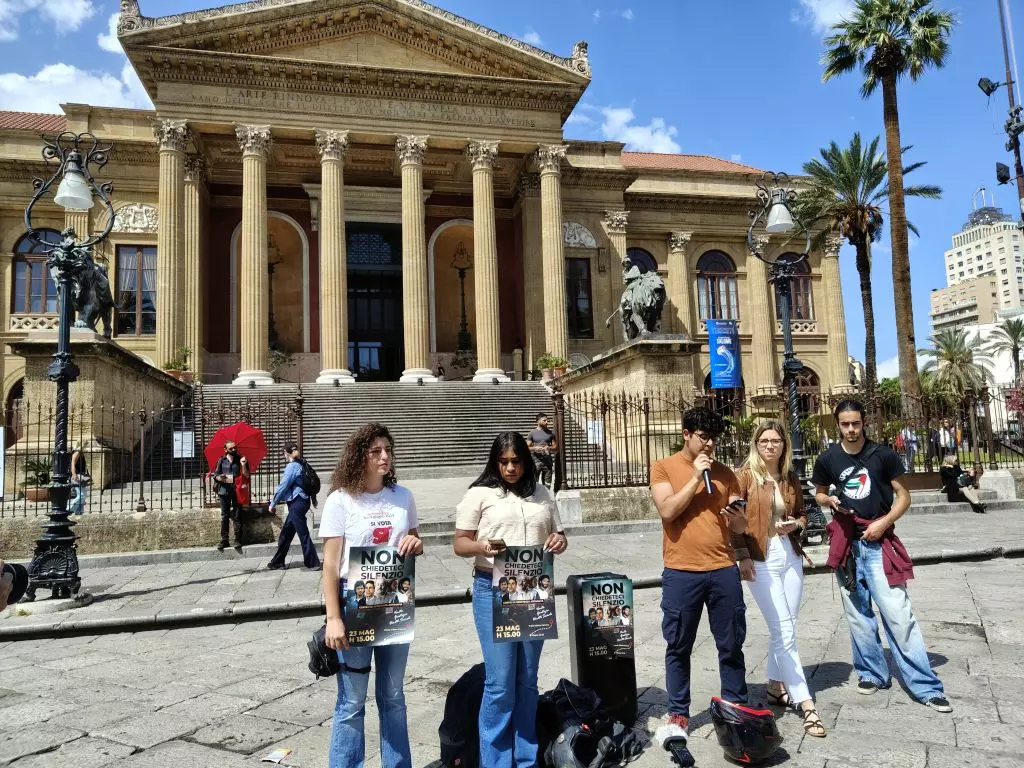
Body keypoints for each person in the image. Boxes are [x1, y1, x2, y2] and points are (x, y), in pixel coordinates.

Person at [812, 399, 951, 713]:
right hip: (846, 544)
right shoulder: (828, 458)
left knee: (899, 616)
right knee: (858, 616)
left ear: (864, 423)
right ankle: (872, 673)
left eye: (856, 424)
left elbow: (904, 496)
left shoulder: (883, 454)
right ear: (838, 424)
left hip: (878, 542)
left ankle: (925, 686)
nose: (851, 429)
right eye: (845, 424)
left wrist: (884, 522)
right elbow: (819, 492)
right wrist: (829, 500)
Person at [454, 431, 568, 768]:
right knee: (500, 682)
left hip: (533, 590)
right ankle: (496, 761)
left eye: (516, 461)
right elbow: (460, 543)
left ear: (525, 460)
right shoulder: (479, 494)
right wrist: (482, 546)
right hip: (492, 589)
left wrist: (559, 542)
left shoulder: (543, 494)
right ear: (495, 462)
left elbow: (557, 535)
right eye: (503, 462)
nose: (510, 468)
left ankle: (526, 758)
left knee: (528, 680)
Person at [320, 422, 424, 768]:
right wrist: (333, 618)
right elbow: (331, 566)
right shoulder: (340, 501)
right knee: (351, 703)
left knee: (394, 697)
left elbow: (411, 542)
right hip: (355, 609)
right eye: (376, 451)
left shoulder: (402, 497)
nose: (384, 457)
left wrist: (415, 544)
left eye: (388, 451)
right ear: (359, 456)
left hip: (395, 607)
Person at [650, 406, 748, 740]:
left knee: (732, 642)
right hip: (681, 571)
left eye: (714, 439)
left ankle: (735, 704)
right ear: (686, 435)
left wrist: (738, 519)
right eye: (703, 437)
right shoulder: (663, 468)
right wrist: (694, 477)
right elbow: (667, 510)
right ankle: (678, 712)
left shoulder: (726, 473)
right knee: (678, 644)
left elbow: (740, 523)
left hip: (723, 568)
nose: (709, 445)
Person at [734, 420, 825, 738]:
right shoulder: (744, 476)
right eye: (764, 440)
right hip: (762, 560)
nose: (770, 445)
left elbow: (803, 513)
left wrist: (795, 525)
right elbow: (732, 520)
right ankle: (806, 702)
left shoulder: (789, 478)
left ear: (784, 445)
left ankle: (774, 687)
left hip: (790, 557)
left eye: (776, 441)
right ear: (756, 444)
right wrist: (742, 556)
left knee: (787, 626)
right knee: (784, 630)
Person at [267, 442, 321, 571]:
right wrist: (313, 499)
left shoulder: (292, 467)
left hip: (296, 503)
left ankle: (313, 562)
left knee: (303, 533)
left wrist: (273, 504)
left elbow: (283, 486)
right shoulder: (302, 463)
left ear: (286, 453)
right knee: (286, 533)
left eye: (284, 452)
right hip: (301, 501)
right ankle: (278, 561)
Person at [213, 441, 249, 552]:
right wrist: (220, 478)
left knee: (237, 515)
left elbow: (247, 475)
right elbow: (215, 475)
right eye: (231, 448)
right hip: (224, 491)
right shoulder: (221, 460)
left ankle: (238, 539)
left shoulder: (241, 459)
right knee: (225, 516)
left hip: (237, 491)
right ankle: (224, 540)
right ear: (225, 449)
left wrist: (243, 465)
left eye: (235, 448)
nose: (234, 450)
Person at [527, 413, 557, 487]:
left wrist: (549, 448)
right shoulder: (532, 433)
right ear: (537, 422)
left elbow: (555, 447)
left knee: (547, 484)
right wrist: (535, 448)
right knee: (534, 483)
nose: (546, 422)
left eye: (547, 420)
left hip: (547, 461)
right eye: (544, 420)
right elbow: (527, 447)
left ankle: (547, 497)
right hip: (536, 460)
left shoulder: (550, 433)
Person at [69, 444, 89, 514]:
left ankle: (79, 512)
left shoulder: (80, 453)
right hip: (77, 476)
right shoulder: (77, 452)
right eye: (86, 444)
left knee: (81, 495)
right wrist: (74, 474)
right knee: (82, 495)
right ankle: (69, 509)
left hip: (80, 475)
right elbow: (72, 464)